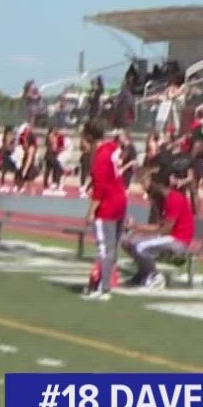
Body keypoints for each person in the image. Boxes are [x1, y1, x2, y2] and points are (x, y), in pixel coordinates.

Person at [124, 156, 195, 288]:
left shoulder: (174, 198)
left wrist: (137, 227)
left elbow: (165, 230)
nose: (144, 186)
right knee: (127, 241)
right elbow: (159, 226)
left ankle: (155, 275)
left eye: (146, 181)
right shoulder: (162, 199)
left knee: (140, 246)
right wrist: (137, 229)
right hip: (169, 237)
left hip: (178, 240)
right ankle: (144, 272)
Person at [81, 120, 128, 301]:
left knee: (104, 249)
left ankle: (103, 287)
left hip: (107, 205)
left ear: (90, 137)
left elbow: (99, 189)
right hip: (120, 200)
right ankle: (104, 283)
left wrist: (91, 212)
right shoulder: (112, 147)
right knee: (112, 247)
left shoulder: (100, 157)